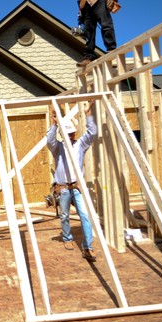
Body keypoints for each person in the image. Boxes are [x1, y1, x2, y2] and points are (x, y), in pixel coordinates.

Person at [46, 103, 97, 261]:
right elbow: (49, 140)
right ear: (63, 134)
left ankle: (87, 246)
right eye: (68, 134)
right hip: (63, 188)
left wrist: (89, 116)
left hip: (76, 187)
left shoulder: (80, 145)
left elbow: (92, 133)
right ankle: (67, 238)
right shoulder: (58, 148)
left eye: (72, 134)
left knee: (85, 215)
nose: (70, 136)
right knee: (65, 215)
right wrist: (54, 124)